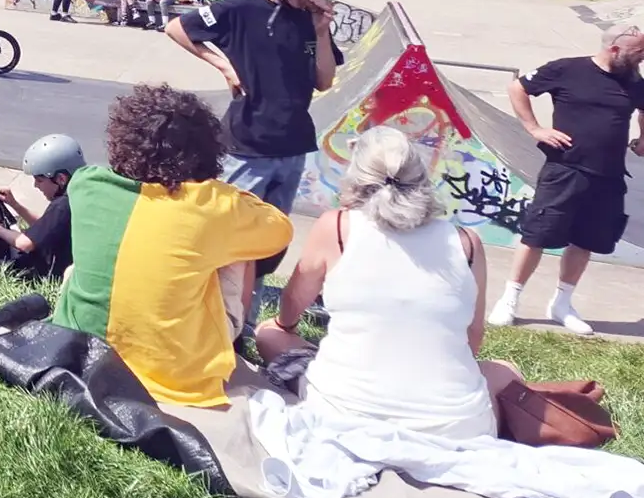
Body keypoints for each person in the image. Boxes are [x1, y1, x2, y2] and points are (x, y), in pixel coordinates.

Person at [254, 126, 520, 439]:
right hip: (455, 427)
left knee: (269, 333)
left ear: (356, 174)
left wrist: (285, 324)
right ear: (420, 174)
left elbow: (294, 302)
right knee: (505, 370)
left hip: (342, 412)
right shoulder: (466, 242)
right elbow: (472, 337)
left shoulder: (337, 227)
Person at [55, 84, 292, 407]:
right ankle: (235, 345)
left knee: (76, 268)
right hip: (174, 377)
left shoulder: (86, 182)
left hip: (78, 351)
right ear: (206, 150)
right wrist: (221, 193)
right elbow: (280, 231)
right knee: (241, 248)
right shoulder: (215, 205)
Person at [166, 0, 340, 316]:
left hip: (293, 147)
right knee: (224, 240)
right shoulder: (241, 9)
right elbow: (176, 27)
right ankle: (203, 317)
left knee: (264, 248)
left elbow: (325, 81)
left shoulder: (310, 19)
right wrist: (223, 65)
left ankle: (241, 322)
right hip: (246, 146)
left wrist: (322, 32)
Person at [487, 26, 644, 336]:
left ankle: (562, 303)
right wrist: (534, 128)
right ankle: (510, 298)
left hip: (609, 175)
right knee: (537, 234)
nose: (642, 58)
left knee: (586, 239)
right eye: (638, 52)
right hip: (565, 170)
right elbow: (517, 88)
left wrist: (642, 138)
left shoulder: (633, 81)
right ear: (615, 50)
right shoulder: (567, 69)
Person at [0, 133, 83, 279]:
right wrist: (16, 205)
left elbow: (24, 243)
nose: (35, 185)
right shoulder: (78, 194)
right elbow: (46, 225)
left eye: (39, 180)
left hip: (55, 273)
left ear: (60, 178)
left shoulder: (63, 205)